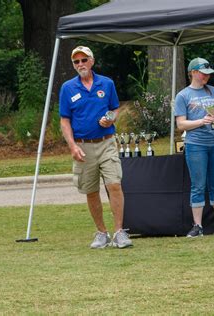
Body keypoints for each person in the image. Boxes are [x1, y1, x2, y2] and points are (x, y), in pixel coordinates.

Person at [59, 46, 132, 249]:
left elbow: (114, 108)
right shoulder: (68, 88)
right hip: (83, 146)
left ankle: (119, 232)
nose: (80, 64)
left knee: (114, 184)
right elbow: (65, 120)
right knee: (91, 191)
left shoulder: (106, 83)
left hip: (107, 142)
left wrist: (110, 119)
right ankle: (101, 233)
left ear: (92, 61)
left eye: (84, 60)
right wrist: (72, 146)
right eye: (76, 61)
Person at [175, 57, 214, 238]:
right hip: (196, 145)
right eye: (204, 74)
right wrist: (200, 121)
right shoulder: (183, 96)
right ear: (193, 73)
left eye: (208, 75)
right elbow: (180, 125)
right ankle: (197, 226)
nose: (207, 78)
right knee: (198, 185)